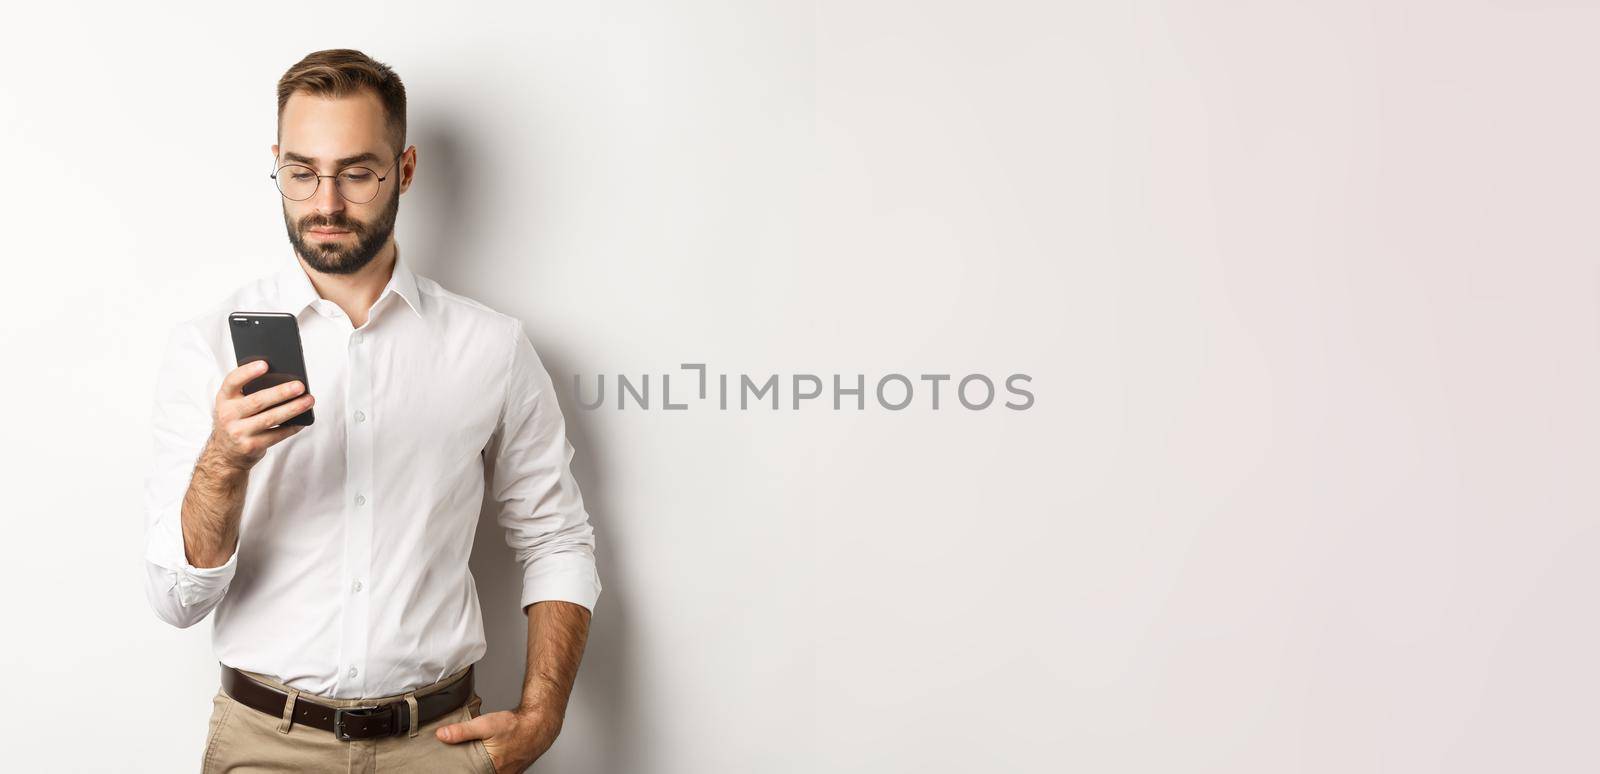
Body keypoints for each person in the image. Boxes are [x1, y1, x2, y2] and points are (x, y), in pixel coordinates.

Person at [141, 48, 600, 773]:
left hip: (439, 748)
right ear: (278, 165)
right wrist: (226, 460)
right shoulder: (207, 345)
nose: (325, 203)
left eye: (357, 172)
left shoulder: (492, 347)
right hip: (266, 747)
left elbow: (556, 540)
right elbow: (176, 600)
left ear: (405, 171)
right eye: (301, 172)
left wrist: (543, 716)